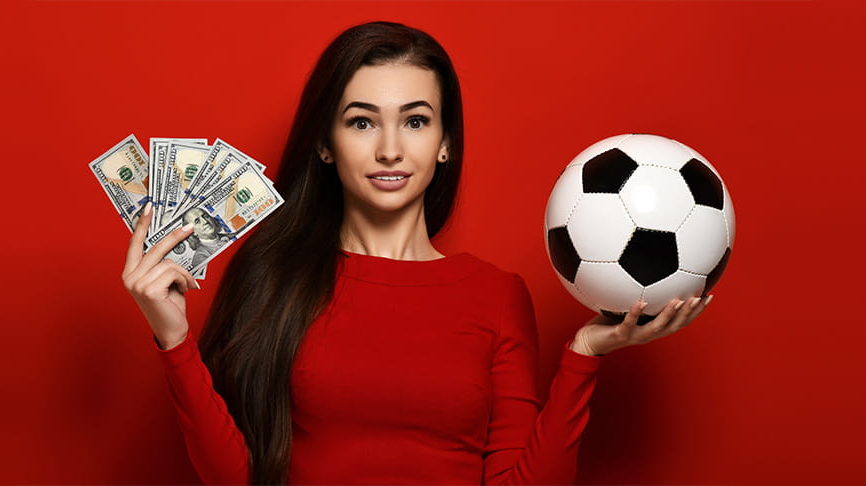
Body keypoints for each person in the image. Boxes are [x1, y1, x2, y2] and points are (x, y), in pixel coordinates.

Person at [121, 21, 711, 485]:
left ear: (445, 142)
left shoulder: (497, 295)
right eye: (360, 122)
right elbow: (239, 476)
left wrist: (586, 352)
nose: (389, 149)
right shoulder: (272, 274)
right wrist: (172, 340)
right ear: (325, 145)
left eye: (416, 121)